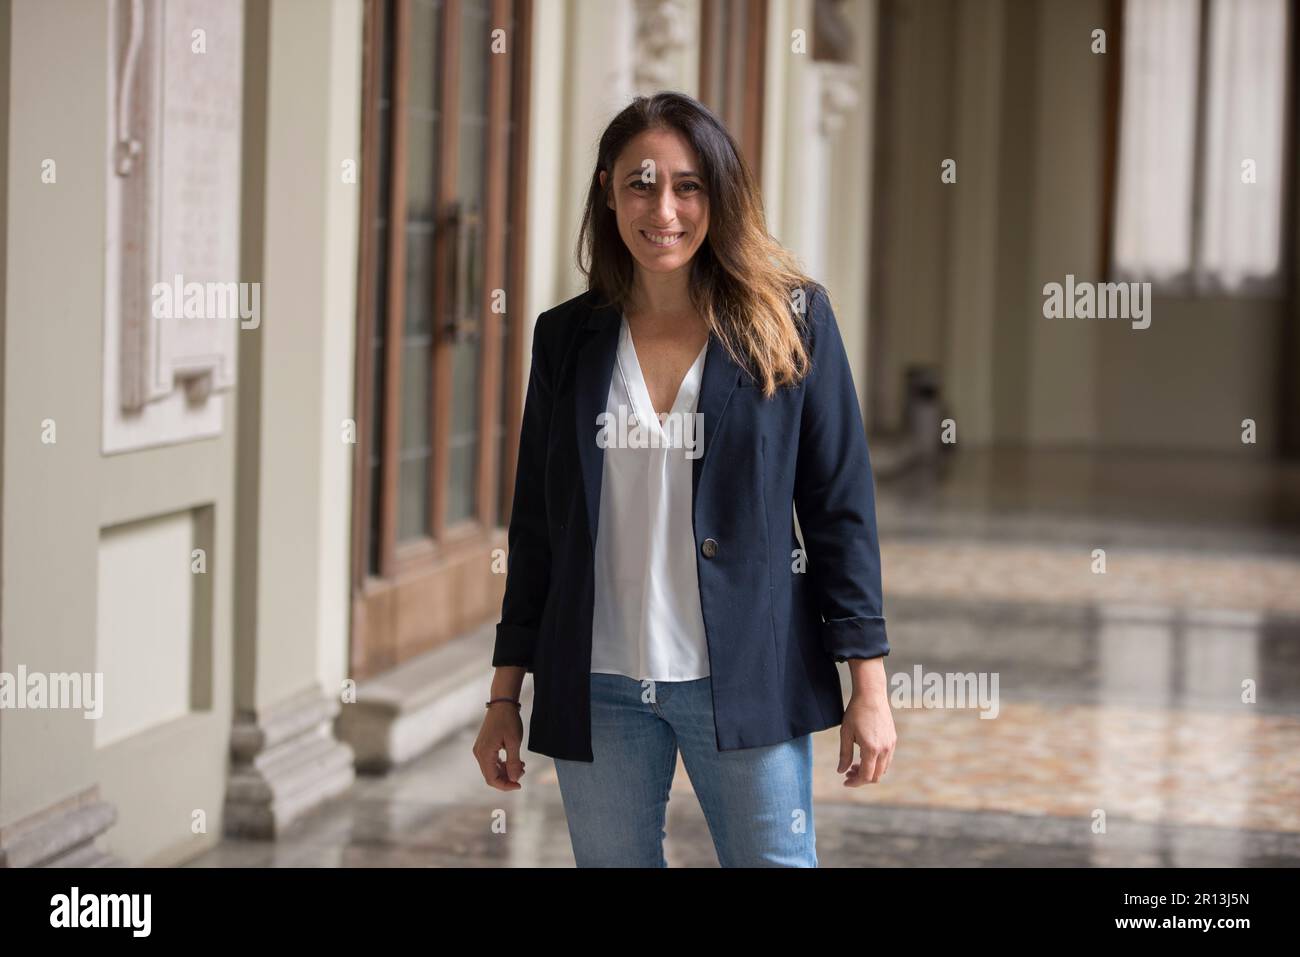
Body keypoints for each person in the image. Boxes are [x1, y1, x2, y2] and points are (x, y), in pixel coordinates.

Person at [472, 91, 895, 867]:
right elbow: (536, 525)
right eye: (640, 183)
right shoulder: (565, 337)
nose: (662, 208)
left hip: (743, 673)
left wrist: (867, 682)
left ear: (718, 194)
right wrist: (506, 693)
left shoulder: (792, 321)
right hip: (598, 681)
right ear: (608, 191)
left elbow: (839, 511)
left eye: (687, 185)